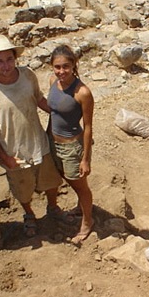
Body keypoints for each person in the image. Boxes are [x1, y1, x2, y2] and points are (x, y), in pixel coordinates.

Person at [0, 35, 72, 237]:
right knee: (23, 189)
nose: (5, 66)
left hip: (39, 141)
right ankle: (29, 214)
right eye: (0, 61)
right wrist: (5, 157)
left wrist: (63, 114)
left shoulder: (28, 75)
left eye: (9, 59)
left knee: (51, 180)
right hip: (14, 151)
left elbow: (39, 99)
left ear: (15, 58)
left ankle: (53, 207)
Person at [47, 45, 94, 245]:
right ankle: (75, 209)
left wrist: (85, 159)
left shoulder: (82, 92)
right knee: (57, 179)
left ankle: (87, 221)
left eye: (66, 66)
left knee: (79, 186)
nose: (61, 72)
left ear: (74, 65)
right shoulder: (52, 82)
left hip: (71, 146)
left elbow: (89, 127)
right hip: (51, 141)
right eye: (57, 67)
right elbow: (52, 113)